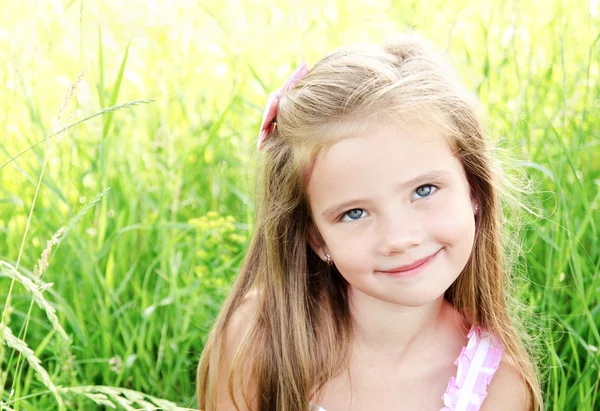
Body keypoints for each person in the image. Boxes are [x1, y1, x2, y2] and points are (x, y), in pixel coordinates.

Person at [196, 31, 542, 411]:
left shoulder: (496, 386)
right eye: (354, 213)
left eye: (424, 190)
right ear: (316, 237)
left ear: (473, 188)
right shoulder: (261, 338)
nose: (399, 238)